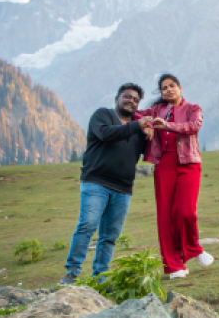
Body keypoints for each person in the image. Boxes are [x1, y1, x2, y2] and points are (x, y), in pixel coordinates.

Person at [59, 83, 154, 285]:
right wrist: (138, 126)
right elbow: (107, 134)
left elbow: (148, 152)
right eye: (127, 97)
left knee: (110, 236)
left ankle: (101, 278)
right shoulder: (102, 116)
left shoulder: (138, 128)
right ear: (117, 99)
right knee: (87, 225)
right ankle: (72, 273)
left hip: (123, 189)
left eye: (136, 100)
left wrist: (150, 136)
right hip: (96, 182)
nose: (131, 101)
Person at [135, 74, 213, 278]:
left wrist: (167, 125)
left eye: (171, 86)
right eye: (163, 88)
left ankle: (194, 248)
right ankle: (174, 266)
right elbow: (135, 114)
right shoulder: (156, 110)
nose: (168, 90)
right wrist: (147, 124)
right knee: (165, 216)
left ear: (180, 87)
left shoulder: (193, 108)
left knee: (184, 211)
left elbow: (194, 126)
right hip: (164, 164)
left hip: (189, 163)